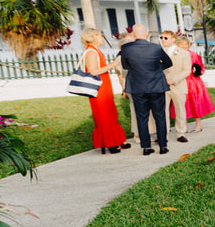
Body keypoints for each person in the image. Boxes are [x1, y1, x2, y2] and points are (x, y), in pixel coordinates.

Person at [119, 23, 172, 156]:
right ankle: (163, 145)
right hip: (156, 86)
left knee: (141, 117)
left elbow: (125, 66)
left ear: (133, 34)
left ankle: (146, 147)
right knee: (160, 116)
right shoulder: (156, 47)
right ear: (146, 33)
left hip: (137, 87)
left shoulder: (126, 48)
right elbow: (168, 62)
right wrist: (156, 68)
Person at [79, 27, 129, 154]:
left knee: (110, 113)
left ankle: (117, 139)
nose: (102, 38)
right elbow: (93, 71)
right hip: (99, 88)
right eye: (100, 35)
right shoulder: (91, 52)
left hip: (104, 86)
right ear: (93, 37)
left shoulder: (96, 50)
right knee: (104, 115)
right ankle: (111, 143)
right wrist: (111, 65)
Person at [176, 36, 215, 133]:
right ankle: (183, 126)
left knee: (194, 104)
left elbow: (201, 68)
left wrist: (196, 71)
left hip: (193, 83)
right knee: (181, 105)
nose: (184, 46)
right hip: (180, 82)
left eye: (186, 44)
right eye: (181, 44)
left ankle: (198, 125)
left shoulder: (193, 55)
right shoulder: (176, 55)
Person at [159, 30, 192, 143]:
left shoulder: (184, 53)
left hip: (178, 85)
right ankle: (164, 134)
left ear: (173, 39)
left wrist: (174, 79)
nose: (163, 40)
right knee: (162, 111)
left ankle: (180, 133)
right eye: (161, 37)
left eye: (166, 38)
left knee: (180, 110)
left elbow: (187, 70)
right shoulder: (158, 52)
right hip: (162, 86)